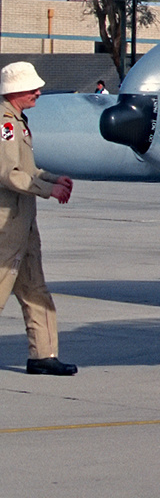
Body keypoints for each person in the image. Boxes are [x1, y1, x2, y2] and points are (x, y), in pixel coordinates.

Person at [0, 62, 75, 375]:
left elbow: (28, 169)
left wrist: (54, 178)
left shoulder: (19, 121)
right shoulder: (5, 125)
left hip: (24, 221)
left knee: (35, 289)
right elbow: (9, 175)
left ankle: (43, 355)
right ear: (15, 91)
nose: (38, 92)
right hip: (7, 224)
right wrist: (48, 190)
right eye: (32, 88)